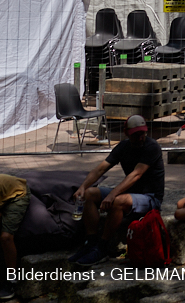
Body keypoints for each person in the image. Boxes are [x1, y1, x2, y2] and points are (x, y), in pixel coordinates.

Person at [67, 114, 164, 266]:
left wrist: (112, 194)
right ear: (127, 133)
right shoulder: (123, 147)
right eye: (136, 134)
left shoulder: (152, 147)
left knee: (117, 201)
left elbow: (136, 174)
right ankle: (91, 243)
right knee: (90, 194)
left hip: (151, 198)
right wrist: (82, 187)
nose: (140, 138)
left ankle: (102, 247)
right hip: (131, 195)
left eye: (143, 133)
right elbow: (100, 169)